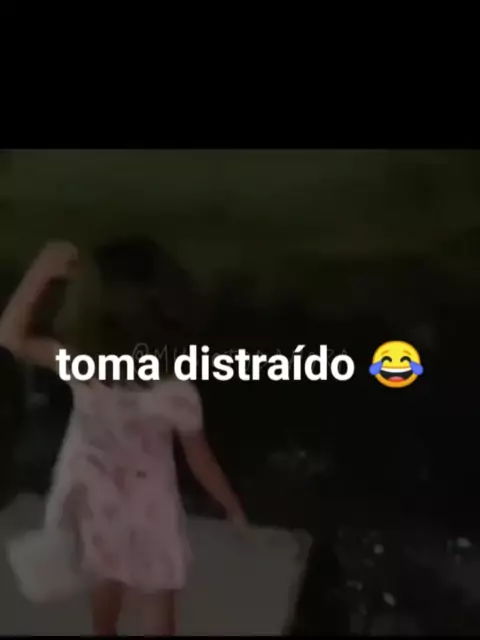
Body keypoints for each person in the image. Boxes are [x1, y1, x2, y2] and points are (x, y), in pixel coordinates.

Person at [0, 240, 247, 635]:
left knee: (106, 580)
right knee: (157, 595)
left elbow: (10, 337)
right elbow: (201, 461)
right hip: (151, 508)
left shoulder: (79, 364)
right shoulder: (177, 393)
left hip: (99, 501)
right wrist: (231, 505)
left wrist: (41, 271)